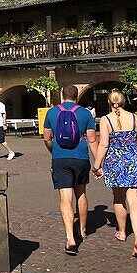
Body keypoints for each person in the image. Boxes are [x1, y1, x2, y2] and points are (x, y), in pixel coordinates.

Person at [93, 89, 137, 259]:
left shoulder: (105, 120)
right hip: (134, 161)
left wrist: (96, 165)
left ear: (109, 103)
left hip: (115, 163)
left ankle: (122, 232)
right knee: (136, 201)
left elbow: (103, 144)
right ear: (124, 102)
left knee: (118, 198)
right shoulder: (135, 118)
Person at [43, 85, 97, 255]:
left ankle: (70, 237)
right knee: (81, 193)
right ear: (77, 97)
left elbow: (46, 138)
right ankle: (82, 229)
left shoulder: (52, 112)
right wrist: (98, 163)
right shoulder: (86, 114)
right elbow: (92, 140)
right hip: (81, 157)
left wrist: (54, 151)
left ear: (62, 96)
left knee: (65, 198)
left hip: (60, 158)